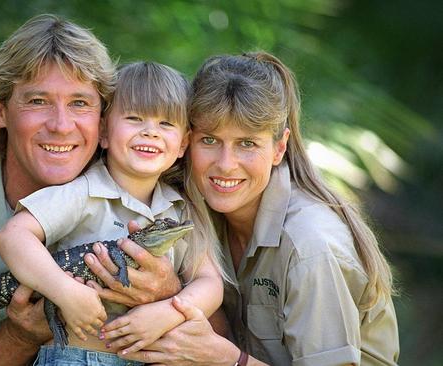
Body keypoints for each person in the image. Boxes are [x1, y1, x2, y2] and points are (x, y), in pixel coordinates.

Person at [0, 15, 182, 365]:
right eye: (38, 101)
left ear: (103, 120)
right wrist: (19, 337)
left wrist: (168, 292)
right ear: (0, 111)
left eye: (80, 103)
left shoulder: (155, 195)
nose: (60, 125)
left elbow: (221, 335)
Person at [96, 52, 400, 365]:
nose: (226, 165)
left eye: (247, 144)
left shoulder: (312, 246)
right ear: (187, 140)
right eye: (210, 140)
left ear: (279, 148)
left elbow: (215, 352)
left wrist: (228, 360)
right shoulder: (187, 212)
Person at [0, 61, 225, 366]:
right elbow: (14, 236)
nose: (150, 132)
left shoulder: (181, 208)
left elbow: (210, 283)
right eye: (134, 118)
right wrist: (65, 292)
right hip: (76, 357)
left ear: (183, 143)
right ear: (103, 131)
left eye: (165, 124)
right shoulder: (82, 192)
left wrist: (168, 311)